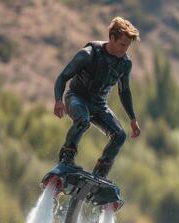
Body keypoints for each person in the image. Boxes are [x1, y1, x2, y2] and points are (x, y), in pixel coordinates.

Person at [53, 17, 141, 179]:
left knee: (119, 135)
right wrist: (58, 100)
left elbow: (125, 91)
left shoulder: (125, 64)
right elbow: (62, 77)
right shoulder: (88, 54)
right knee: (83, 121)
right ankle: (66, 160)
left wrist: (132, 118)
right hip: (76, 98)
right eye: (122, 44)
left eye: (128, 46)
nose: (125, 49)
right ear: (112, 38)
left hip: (99, 105)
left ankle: (100, 174)